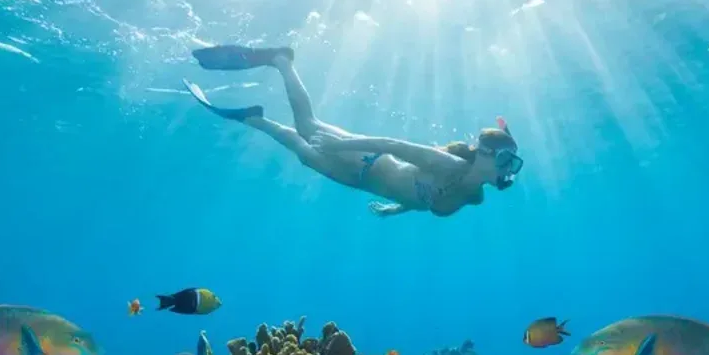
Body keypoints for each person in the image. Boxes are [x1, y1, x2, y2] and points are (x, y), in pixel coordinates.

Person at [183, 46, 524, 217]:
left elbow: (424, 198)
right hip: (368, 160)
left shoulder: (474, 196)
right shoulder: (446, 164)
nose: (511, 170)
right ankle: (281, 60)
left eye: (514, 165)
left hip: (360, 182)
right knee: (307, 127)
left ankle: (254, 118)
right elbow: (393, 144)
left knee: (304, 156)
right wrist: (343, 142)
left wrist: (395, 210)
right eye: (508, 160)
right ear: (484, 152)